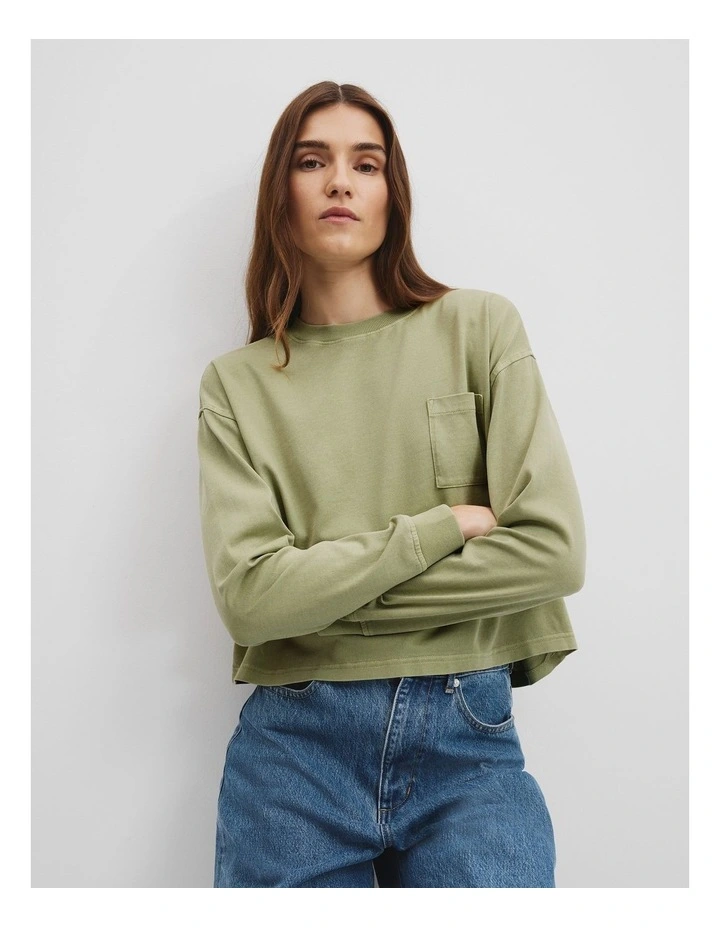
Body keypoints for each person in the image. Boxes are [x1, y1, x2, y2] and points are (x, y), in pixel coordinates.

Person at [197, 80, 586, 888]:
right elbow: (252, 601)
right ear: (281, 191)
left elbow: (552, 553)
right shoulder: (237, 384)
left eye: (365, 164)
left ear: (391, 193)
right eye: (313, 161)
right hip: (294, 754)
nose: (340, 181)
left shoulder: (479, 328)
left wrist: (320, 599)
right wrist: (438, 529)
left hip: (466, 739)